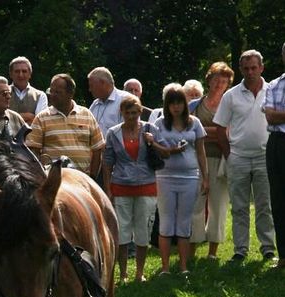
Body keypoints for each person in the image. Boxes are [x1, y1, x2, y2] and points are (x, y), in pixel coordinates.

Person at [213, 49, 275, 264]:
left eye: (254, 68)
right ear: (240, 69)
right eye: (246, 68)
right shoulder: (231, 95)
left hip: (265, 156)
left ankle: (268, 247)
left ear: (261, 68)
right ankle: (240, 249)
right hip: (238, 157)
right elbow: (220, 127)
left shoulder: (272, 91)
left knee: (264, 205)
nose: (250, 72)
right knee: (239, 206)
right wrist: (229, 154)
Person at [151, 84, 208, 274]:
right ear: (167, 105)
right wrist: (167, 149)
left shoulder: (195, 123)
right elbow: (154, 148)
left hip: (190, 177)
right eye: (172, 103)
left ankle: (183, 266)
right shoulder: (159, 124)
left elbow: (201, 152)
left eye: (179, 103)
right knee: (166, 221)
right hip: (165, 177)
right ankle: (165, 267)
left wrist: (205, 178)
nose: (176, 107)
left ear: (185, 104)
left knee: (184, 221)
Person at [103, 96, 160, 283]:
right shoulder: (113, 133)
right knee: (122, 232)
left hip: (147, 185)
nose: (131, 116)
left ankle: (139, 273)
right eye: (127, 113)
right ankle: (123, 274)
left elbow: (163, 154)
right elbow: (107, 162)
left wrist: (152, 142)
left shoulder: (151, 129)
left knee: (143, 231)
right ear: (122, 113)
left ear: (140, 112)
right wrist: (108, 188)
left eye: (134, 112)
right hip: (121, 185)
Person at [188, 62, 234, 260]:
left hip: (221, 161)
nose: (219, 84)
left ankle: (212, 252)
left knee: (218, 206)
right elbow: (188, 130)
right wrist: (218, 132)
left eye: (224, 81)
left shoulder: (230, 104)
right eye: (216, 79)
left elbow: (230, 133)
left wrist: (203, 132)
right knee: (195, 205)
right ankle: (192, 248)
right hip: (195, 161)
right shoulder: (194, 105)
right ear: (209, 80)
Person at [28, 73, 104, 176]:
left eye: (58, 92)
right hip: (53, 178)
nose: (52, 95)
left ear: (71, 94)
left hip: (82, 179)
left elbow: (97, 148)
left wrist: (92, 176)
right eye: (51, 91)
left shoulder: (86, 115)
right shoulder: (42, 118)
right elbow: (33, 151)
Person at [263, 42, 285, 270]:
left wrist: (280, 114)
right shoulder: (274, 84)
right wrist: (276, 115)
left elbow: (275, 114)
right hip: (277, 144)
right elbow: (270, 117)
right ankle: (284, 256)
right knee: (278, 201)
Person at [88, 67, 129, 137]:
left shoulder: (125, 100)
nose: (90, 89)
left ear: (103, 83)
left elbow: (130, 130)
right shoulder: (95, 104)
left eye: (92, 86)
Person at [8, 56, 48, 123]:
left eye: (24, 71)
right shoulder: (3, 93)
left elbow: (40, 122)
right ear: (11, 74)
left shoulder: (40, 96)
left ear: (30, 74)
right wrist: (29, 117)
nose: (20, 75)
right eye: (17, 71)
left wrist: (11, 118)